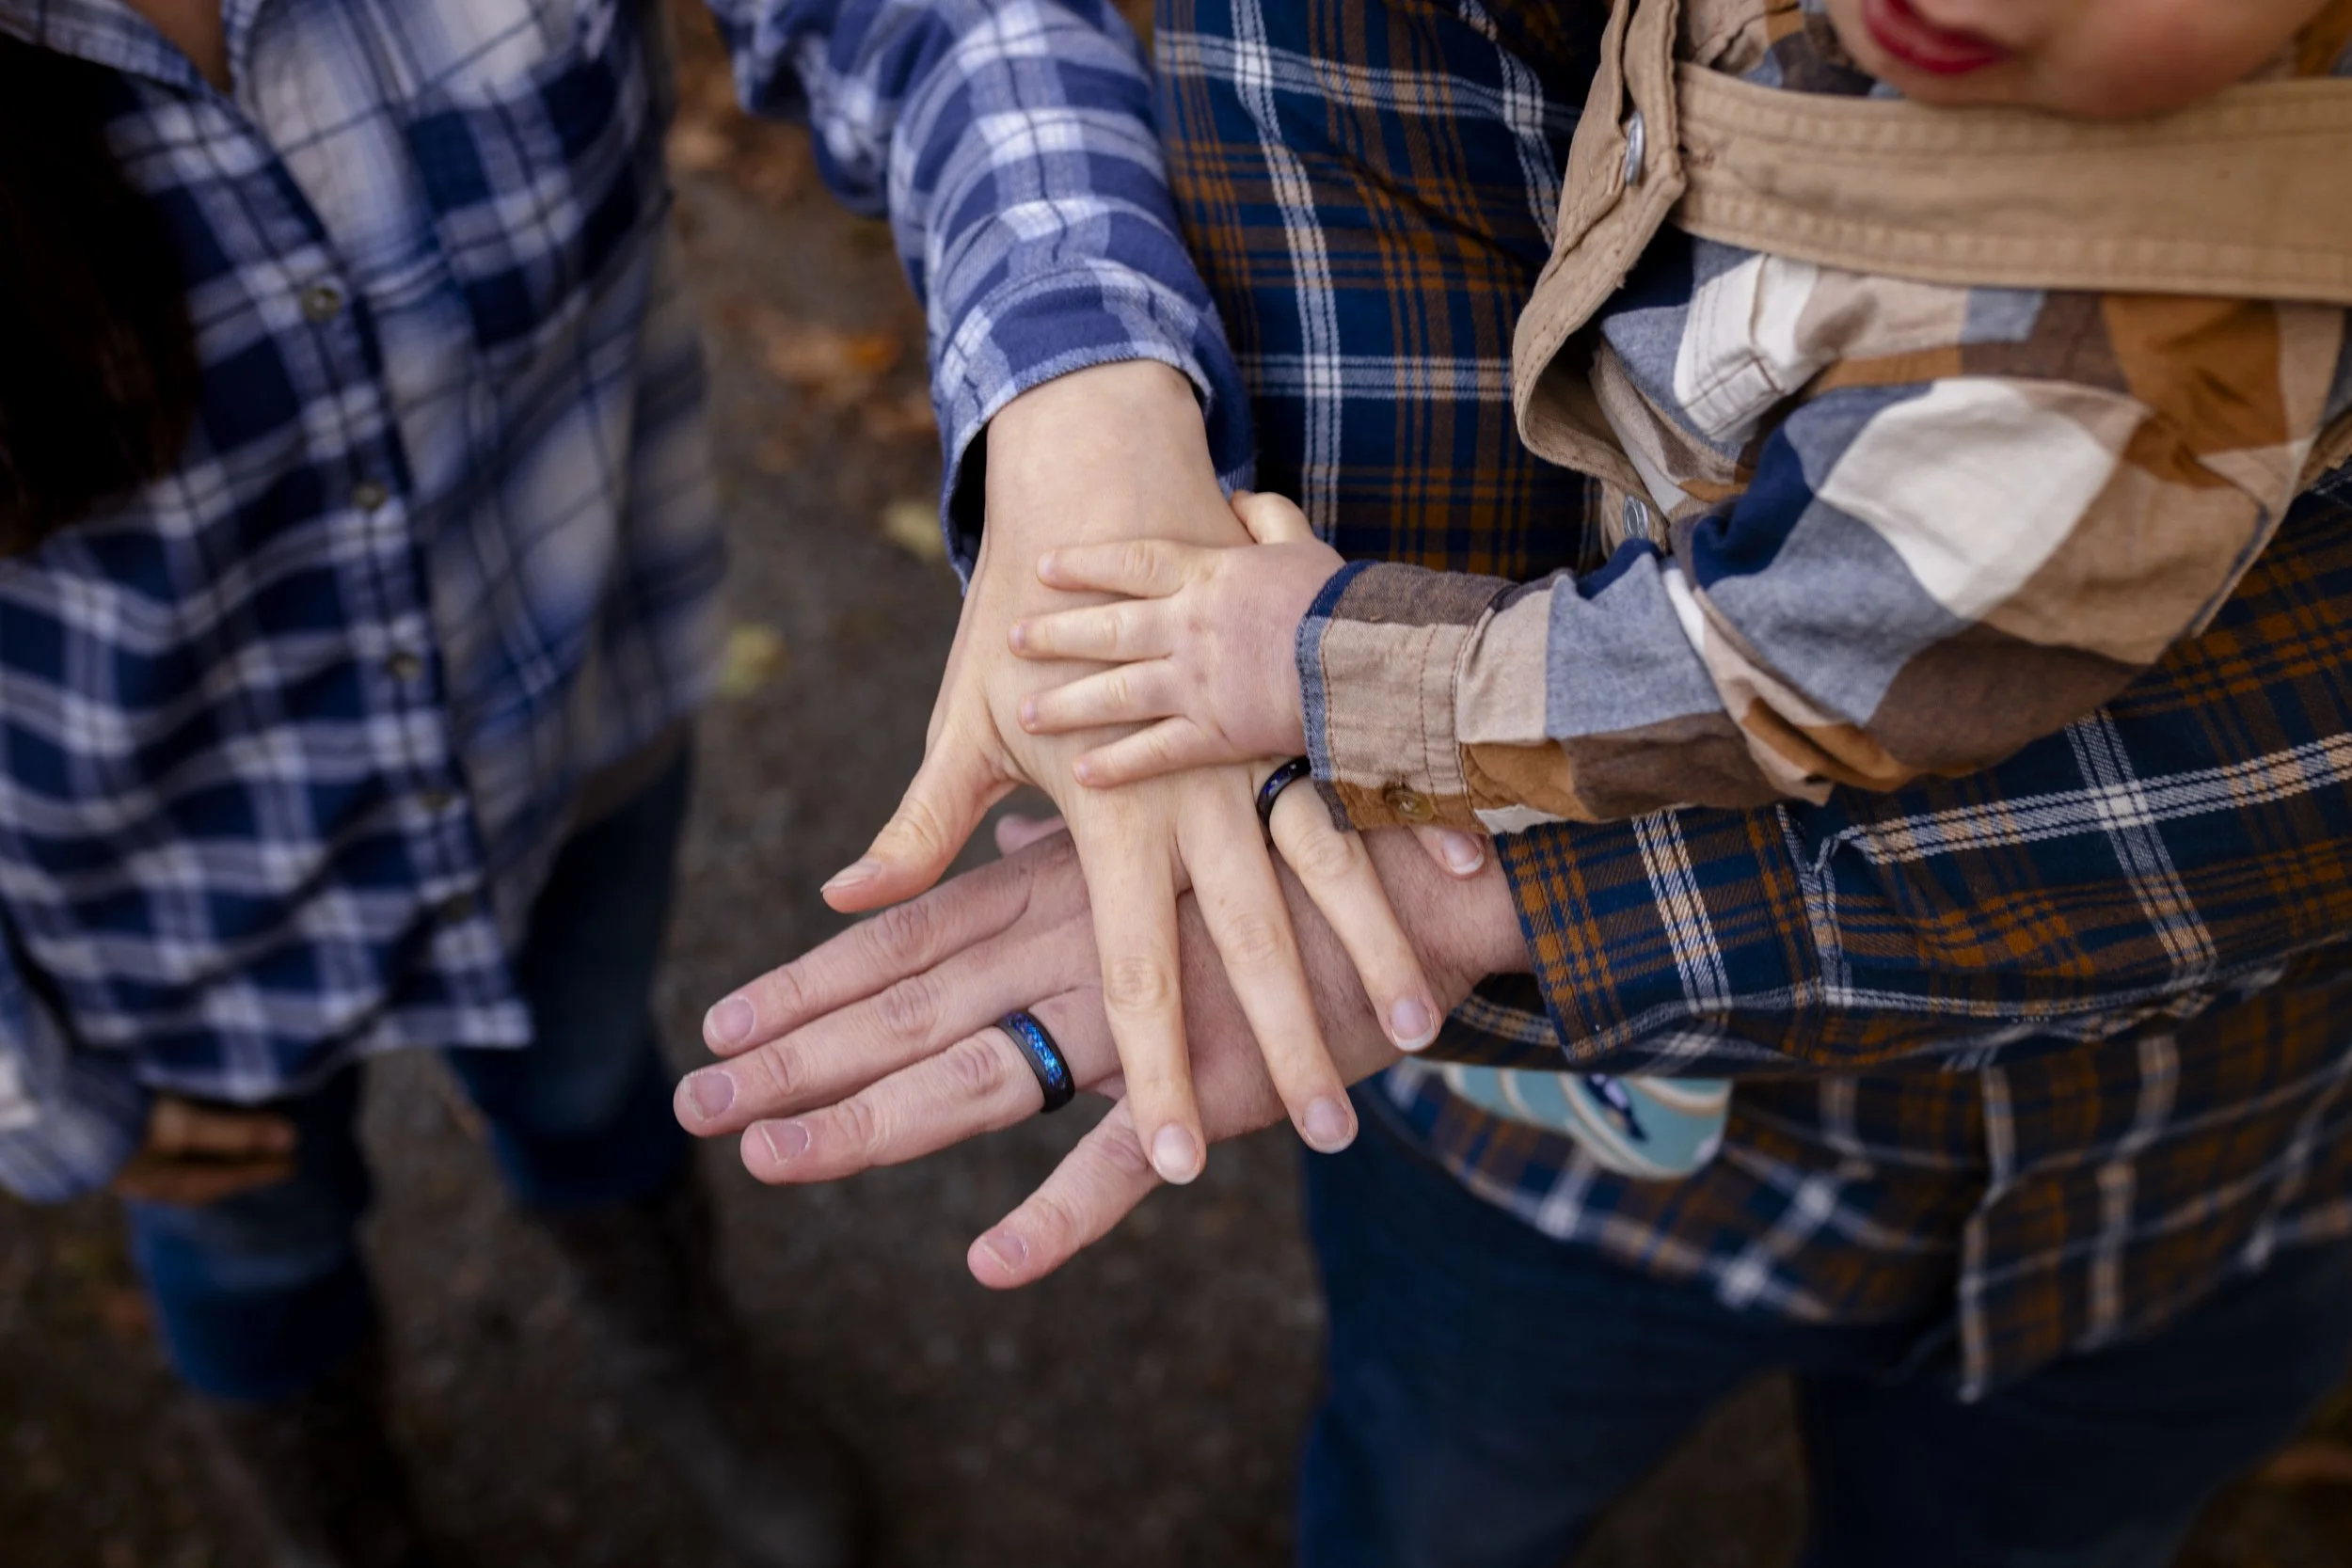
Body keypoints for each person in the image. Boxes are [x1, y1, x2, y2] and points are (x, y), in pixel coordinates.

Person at [674, 0, 2352, 1562]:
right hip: (1541, 1162)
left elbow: (1775, 668)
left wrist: (1325, 661)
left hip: (2201, 1176)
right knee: (1432, 1496)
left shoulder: (2133, 325)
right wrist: (1073, 365)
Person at [995, 0, 2352, 1178]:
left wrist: (1323, 657)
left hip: (1781, 696)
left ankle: (1631, 1046)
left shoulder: (2111, 357)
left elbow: (1768, 670)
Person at [0, 0, 1018, 1560]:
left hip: (566, 735)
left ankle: (674, 1347)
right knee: (250, 1236)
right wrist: (38, 1097)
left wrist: (1083, 384)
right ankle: (333, 1516)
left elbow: (939, 29)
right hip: (154, 905)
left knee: (591, 1081)